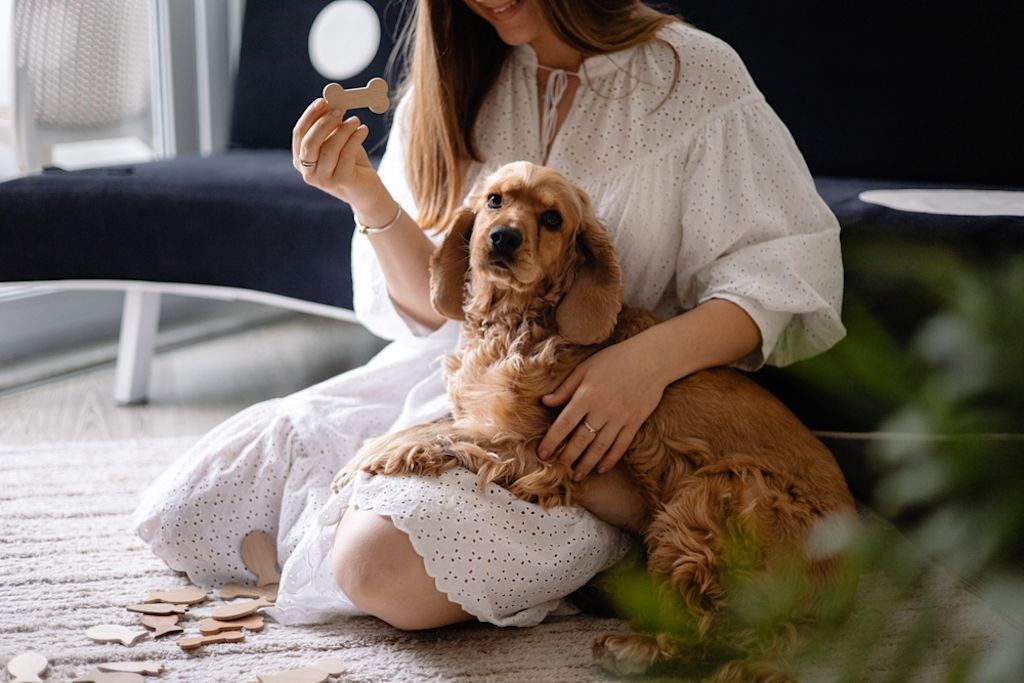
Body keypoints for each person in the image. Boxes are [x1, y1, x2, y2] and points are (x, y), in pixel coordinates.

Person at [133, 0, 845, 630]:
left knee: (376, 565)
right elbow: (437, 303)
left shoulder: (693, 76)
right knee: (193, 504)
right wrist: (364, 194)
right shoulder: (460, 73)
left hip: (610, 439)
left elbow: (784, 275)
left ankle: (631, 538)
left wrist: (643, 363)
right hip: (463, 377)